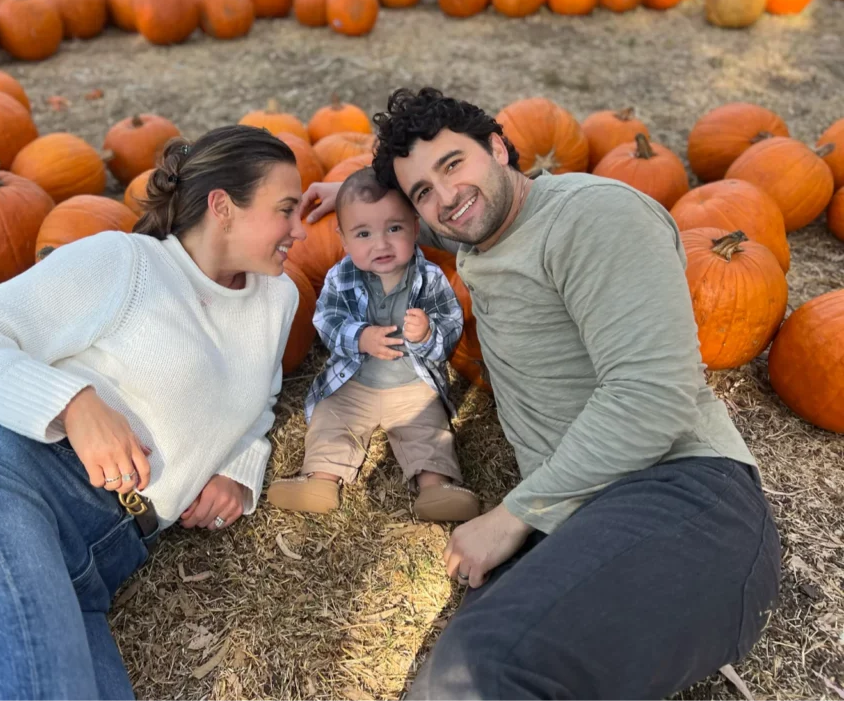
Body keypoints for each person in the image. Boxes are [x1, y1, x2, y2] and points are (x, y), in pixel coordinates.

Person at [299, 88, 781, 701]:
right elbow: (413, 219)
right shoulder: (477, 234)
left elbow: (652, 396)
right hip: (585, 514)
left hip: (681, 493)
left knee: (478, 675)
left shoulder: (592, 215)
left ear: (498, 147)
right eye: (423, 191)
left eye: (453, 164)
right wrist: (336, 193)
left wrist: (516, 514)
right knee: (466, 665)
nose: (445, 197)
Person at [0, 125, 306, 701]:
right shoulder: (126, 263)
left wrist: (238, 467)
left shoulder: (278, 298)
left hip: (97, 562)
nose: (300, 229)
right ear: (223, 207)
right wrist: (72, 403)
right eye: (286, 210)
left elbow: (259, 398)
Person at [266, 167, 479, 522]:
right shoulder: (340, 277)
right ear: (344, 240)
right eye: (363, 234)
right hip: (355, 384)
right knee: (330, 420)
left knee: (429, 429)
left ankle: (435, 487)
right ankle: (320, 479)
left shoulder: (430, 279)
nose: (380, 244)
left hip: (412, 386)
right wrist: (359, 337)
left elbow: (451, 325)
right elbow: (327, 321)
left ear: (415, 225)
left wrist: (427, 334)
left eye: (394, 228)